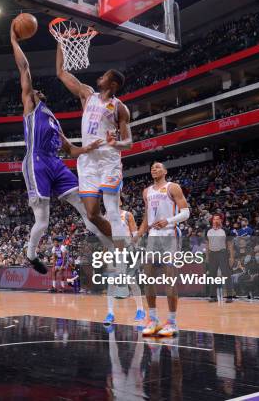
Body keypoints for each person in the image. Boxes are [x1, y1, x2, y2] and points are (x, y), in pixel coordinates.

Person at [10, 19, 114, 275]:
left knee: (88, 210)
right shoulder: (30, 108)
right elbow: (24, 68)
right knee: (42, 222)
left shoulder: (53, 120)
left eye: (34, 90)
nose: (31, 90)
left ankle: (112, 254)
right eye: (30, 90)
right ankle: (31, 254)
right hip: (35, 161)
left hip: (56, 163)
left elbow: (70, 150)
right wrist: (13, 40)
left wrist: (88, 148)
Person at [56, 40, 133, 253]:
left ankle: (123, 258)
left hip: (108, 158)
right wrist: (60, 43)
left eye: (105, 75)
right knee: (91, 214)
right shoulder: (87, 95)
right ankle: (125, 245)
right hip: (88, 160)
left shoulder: (120, 107)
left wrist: (115, 142)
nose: (100, 77)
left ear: (113, 84)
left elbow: (129, 142)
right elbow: (61, 72)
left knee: (112, 210)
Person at [134, 162, 190, 337]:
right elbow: (146, 218)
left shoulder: (172, 187)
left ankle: (172, 322)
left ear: (165, 171)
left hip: (169, 235)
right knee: (148, 279)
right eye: (152, 167)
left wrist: (169, 220)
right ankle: (153, 320)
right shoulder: (146, 192)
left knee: (169, 280)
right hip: (153, 237)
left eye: (158, 167)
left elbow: (186, 212)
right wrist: (137, 235)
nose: (154, 169)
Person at [206, 214, 235, 302]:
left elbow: (230, 245)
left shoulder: (225, 230)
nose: (216, 220)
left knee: (226, 275)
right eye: (214, 219)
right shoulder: (208, 231)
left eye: (218, 219)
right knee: (212, 276)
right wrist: (207, 256)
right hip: (212, 254)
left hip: (222, 253)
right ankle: (213, 296)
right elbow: (207, 244)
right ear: (212, 220)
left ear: (221, 220)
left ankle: (229, 296)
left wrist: (231, 257)